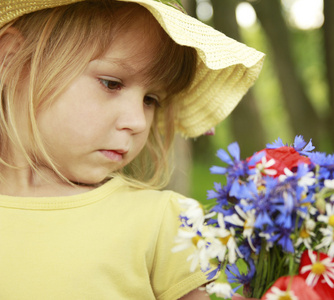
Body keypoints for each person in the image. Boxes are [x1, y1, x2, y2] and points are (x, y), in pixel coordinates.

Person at [0, 0, 264, 299]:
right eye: (112, 84)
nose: (138, 121)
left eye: (151, 99)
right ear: (10, 58)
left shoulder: (162, 221)